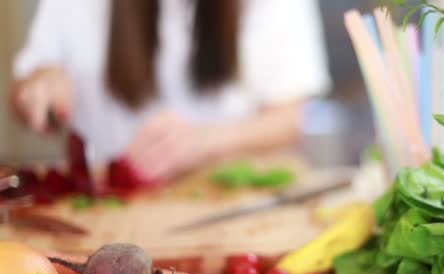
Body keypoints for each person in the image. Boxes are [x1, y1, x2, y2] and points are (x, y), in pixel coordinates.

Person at [9, 0, 331, 182]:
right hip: (104, 203)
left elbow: (289, 118)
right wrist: (39, 88)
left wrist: (205, 141)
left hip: (223, 201)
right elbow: (27, 87)